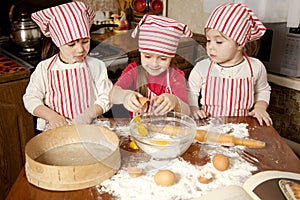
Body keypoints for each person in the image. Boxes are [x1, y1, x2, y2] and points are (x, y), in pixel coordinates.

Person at [23, 1, 112, 131]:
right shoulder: (45, 68)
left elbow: (107, 96)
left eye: (85, 41)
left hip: (90, 128)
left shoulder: (96, 66)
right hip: (56, 130)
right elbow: (31, 99)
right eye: (71, 45)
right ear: (58, 43)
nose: (80, 49)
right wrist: (52, 117)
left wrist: (89, 114)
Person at [188, 3, 273, 126]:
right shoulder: (202, 67)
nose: (210, 47)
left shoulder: (255, 67)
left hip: (241, 126)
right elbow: (190, 91)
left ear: (239, 44)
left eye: (218, 41)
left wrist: (260, 107)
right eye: (208, 40)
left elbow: (263, 90)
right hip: (209, 125)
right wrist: (193, 108)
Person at [109, 15, 192, 117]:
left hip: (167, 131)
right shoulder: (134, 71)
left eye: (163, 58)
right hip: (138, 131)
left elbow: (187, 111)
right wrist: (125, 96)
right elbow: (113, 94)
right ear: (140, 53)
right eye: (148, 56)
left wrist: (175, 101)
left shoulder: (175, 76)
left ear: (171, 57)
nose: (154, 64)